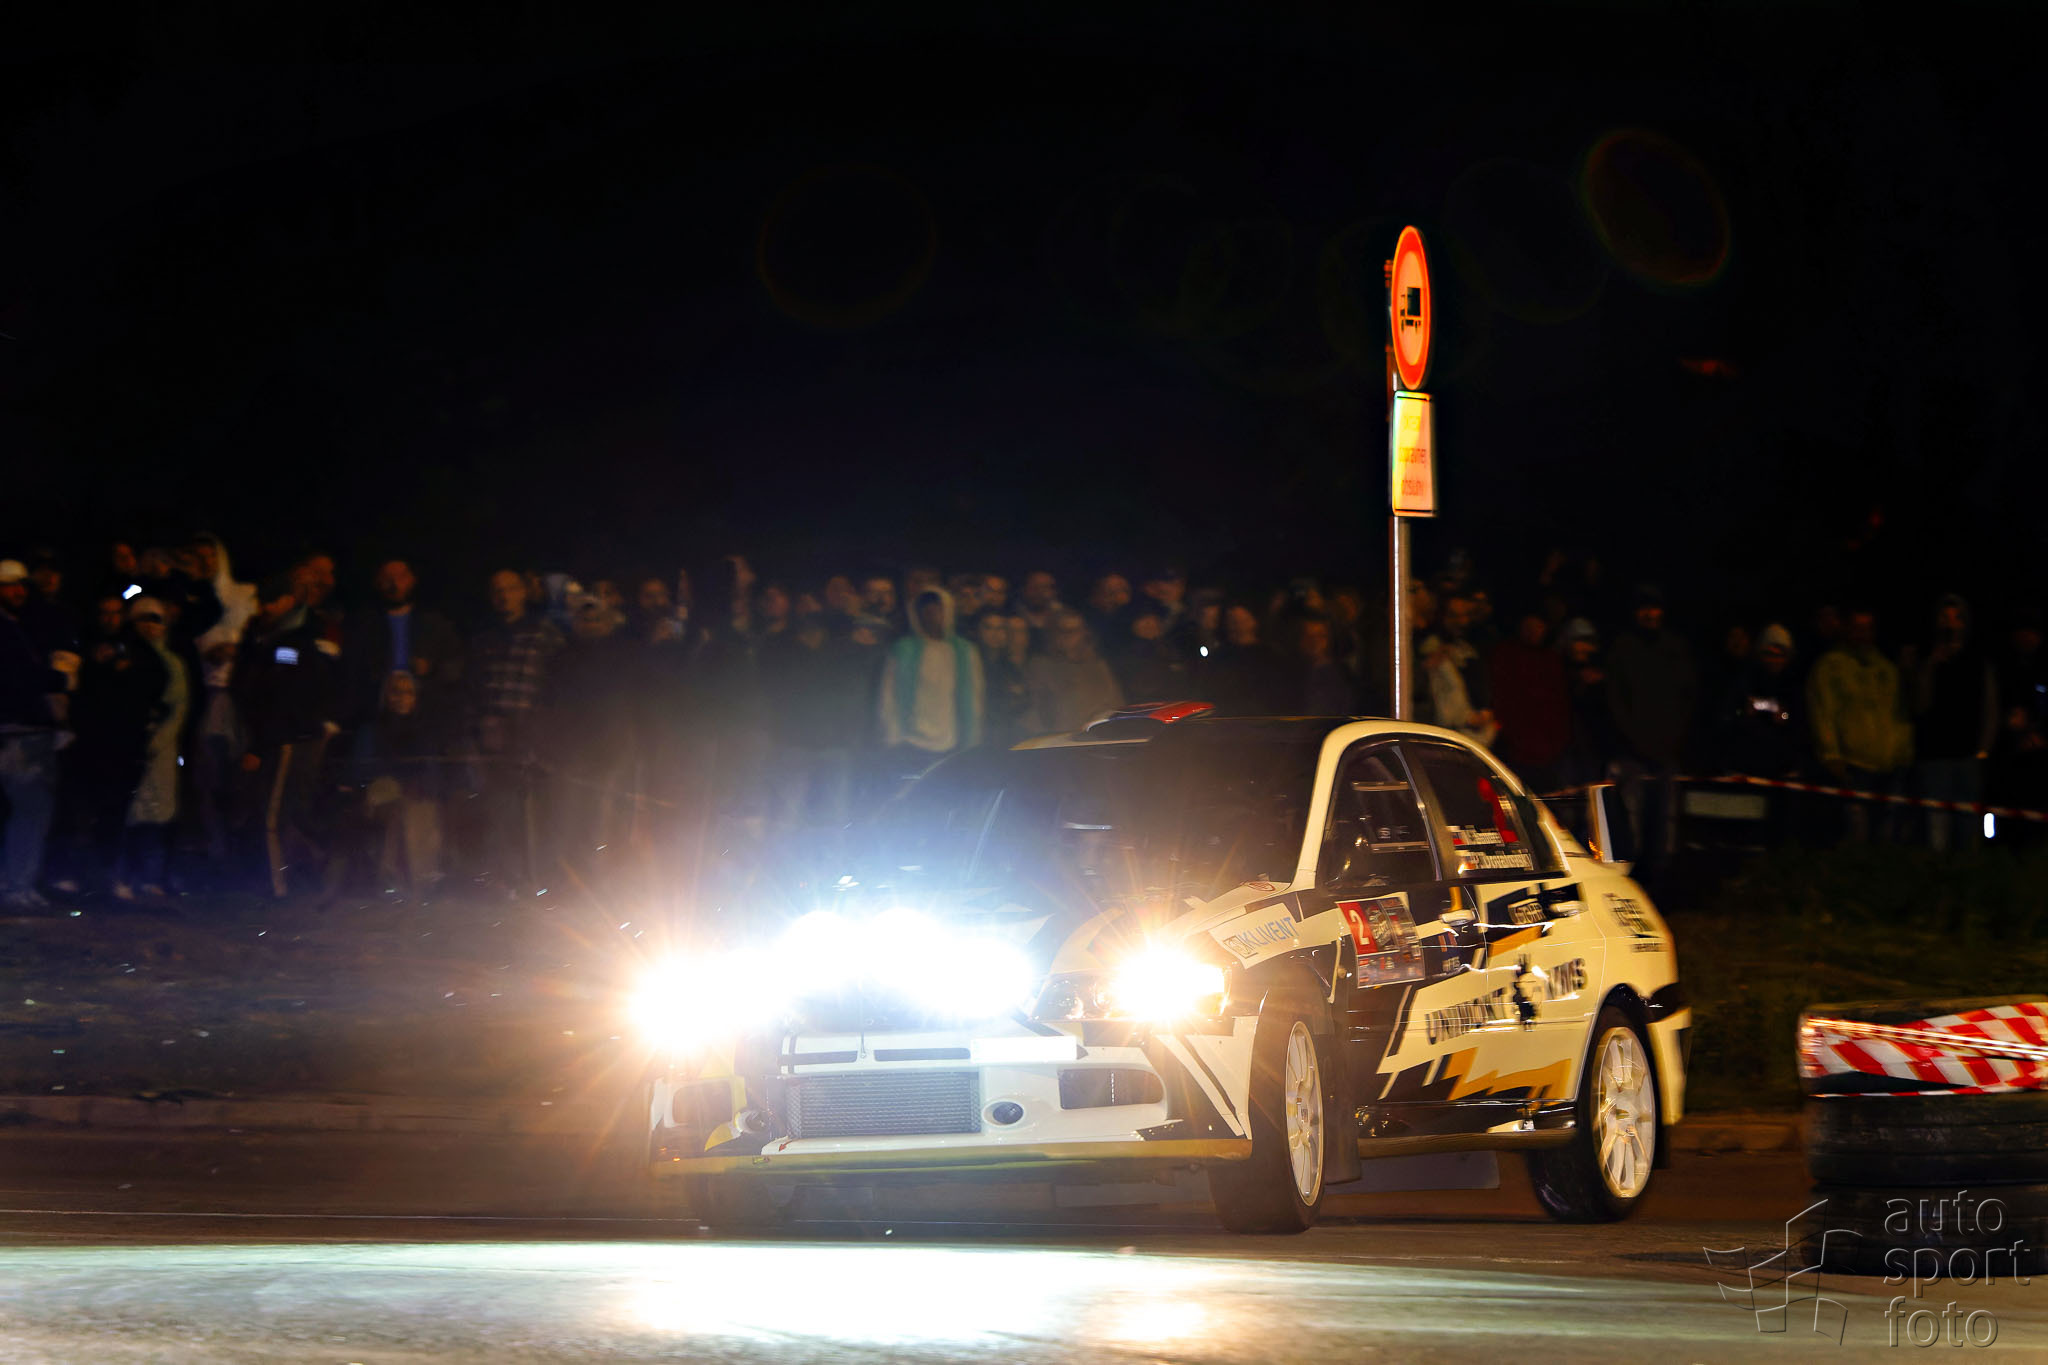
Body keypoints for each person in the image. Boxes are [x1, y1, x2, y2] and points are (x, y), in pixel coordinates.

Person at [233, 575, 340, 897]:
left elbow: (282, 696)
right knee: (283, 813)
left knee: (274, 815)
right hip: (278, 736)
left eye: (272, 601)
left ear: (288, 602)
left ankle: (277, 886)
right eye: (261, 602)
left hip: (285, 740)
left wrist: (259, 746)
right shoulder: (268, 639)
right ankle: (307, 873)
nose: (264, 608)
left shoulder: (291, 644)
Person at [467, 569, 564, 895]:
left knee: (538, 812)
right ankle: (507, 879)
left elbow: (557, 687)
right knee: (501, 809)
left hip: (533, 735)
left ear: (523, 591)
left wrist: (544, 731)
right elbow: (475, 688)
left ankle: (540, 879)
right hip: (494, 737)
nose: (504, 596)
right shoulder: (484, 638)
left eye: (510, 589)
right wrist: (480, 728)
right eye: (497, 590)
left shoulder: (544, 634)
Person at [1604, 584, 1696, 872]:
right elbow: (1615, 701)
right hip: (1631, 754)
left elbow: (1687, 698)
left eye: (1654, 608)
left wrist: (1674, 740)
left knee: (1664, 824)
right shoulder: (1622, 648)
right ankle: (1632, 880)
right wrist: (1634, 741)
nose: (1650, 614)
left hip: (1666, 753)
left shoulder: (1675, 648)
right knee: (1632, 823)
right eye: (1644, 608)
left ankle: (1662, 881)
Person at [1806, 606, 1913, 842]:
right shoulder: (1831, 666)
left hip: (1890, 766)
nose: (1862, 634)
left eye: (1868, 628)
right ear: (1846, 629)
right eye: (1857, 628)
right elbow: (1823, 711)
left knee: (1887, 833)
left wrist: (1904, 753)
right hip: (1854, 765)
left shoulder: (1886, 668)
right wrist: (1831, 754)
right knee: (1856, 831)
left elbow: (1899, 715)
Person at [1, 559, 73, 908]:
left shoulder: (20, 625)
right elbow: (21, 677)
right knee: (31, 810)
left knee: (23, 811)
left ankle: (14, 883)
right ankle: (17, 885)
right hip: (20, 731)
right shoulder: (7, 630)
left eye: (20, 585)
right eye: (8, 586)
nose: (16, 592)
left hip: (21, 730)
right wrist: (60, 680)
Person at [1905, 594, 1999, 853]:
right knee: (1936, 827)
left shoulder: (1978, 659)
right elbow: (1918, 705)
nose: (1950, 623)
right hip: (1934, 756)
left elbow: (1990, 707)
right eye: (1945, 617)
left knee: (1967, 825)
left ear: (1965, 622)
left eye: (1956, 618)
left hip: (1967, 757)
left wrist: (1983, 750)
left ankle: (1967, 871)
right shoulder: (1925, 656)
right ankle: (1938, 872)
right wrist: (1930, 666)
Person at [111, 597, 190, 903]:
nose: (150, 626)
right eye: (142, 619)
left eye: (156, 619)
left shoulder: (173, 663)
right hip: (131, 746)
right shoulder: (125, 657)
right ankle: (124, 877)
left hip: (161, 749)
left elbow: (179, 707)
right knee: (131, 813)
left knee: (158, 815)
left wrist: (159, 741)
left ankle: (150, 877)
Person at [351, 670, 445, 900]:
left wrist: (422, 786)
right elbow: (360, 771)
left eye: (408, 692)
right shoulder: (372, 730)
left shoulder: (423, 731)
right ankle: (389, 879)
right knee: (397, 812)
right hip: (379, 795)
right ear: (385, 696)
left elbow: (430, 768)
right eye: (396, 692)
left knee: (424, 810)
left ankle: (424, 879)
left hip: (415, 795)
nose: (402, 698)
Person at [342, 560, 463, 727]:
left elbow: (455, 664)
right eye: (387, 578)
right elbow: (351, 672)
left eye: (401, 577)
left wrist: (431, 669)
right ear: (377, 582)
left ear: (412, 579)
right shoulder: (364, 624)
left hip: (426, 716)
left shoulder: (434, 623)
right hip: (374, 715)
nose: (395, 584)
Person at [878, 586, 985, 768]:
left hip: (952, 741)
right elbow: (889, 695)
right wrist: (893, 736)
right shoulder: (904, 650)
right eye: (926, 613)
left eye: (937, 611)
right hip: (911, 740)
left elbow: (974, 697)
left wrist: (972, 740)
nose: (932, 618)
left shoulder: (965, 652)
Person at [1488, 608, 1570, 792]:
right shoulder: (1506, 655)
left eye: (1539, 627)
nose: (1534, 632)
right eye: (1529, 627)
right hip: (1516, 748)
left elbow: (1560, 704)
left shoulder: (1551, 659)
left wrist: (1558, 741)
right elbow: (1503, 698)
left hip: (1550, 750)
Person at [1023, 608, 1121, 735]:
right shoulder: (1040, 666)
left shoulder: (1098, 666)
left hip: (1097, 736)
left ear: (1084, 633)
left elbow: (1115, 704)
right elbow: (1034, 710)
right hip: (1060, 738)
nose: (1068, 636)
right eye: (1061, 630)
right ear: (1052, 633)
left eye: (1074, 631)